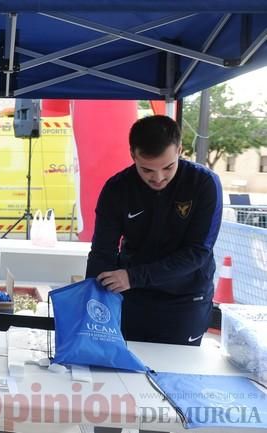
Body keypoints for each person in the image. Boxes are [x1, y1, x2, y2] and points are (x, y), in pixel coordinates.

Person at [86, 115, 223, 433]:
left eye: (167, 168)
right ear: (132, 154)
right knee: (113, 392)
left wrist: (133, 276)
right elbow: (103, 252)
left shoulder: (203, 184)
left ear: (180, 151)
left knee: (164, 403)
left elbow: (197, 253)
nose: (158, 177)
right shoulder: (117, 188)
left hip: (185, 300)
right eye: (147, 170)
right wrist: (92, 303)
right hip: (131, 301)